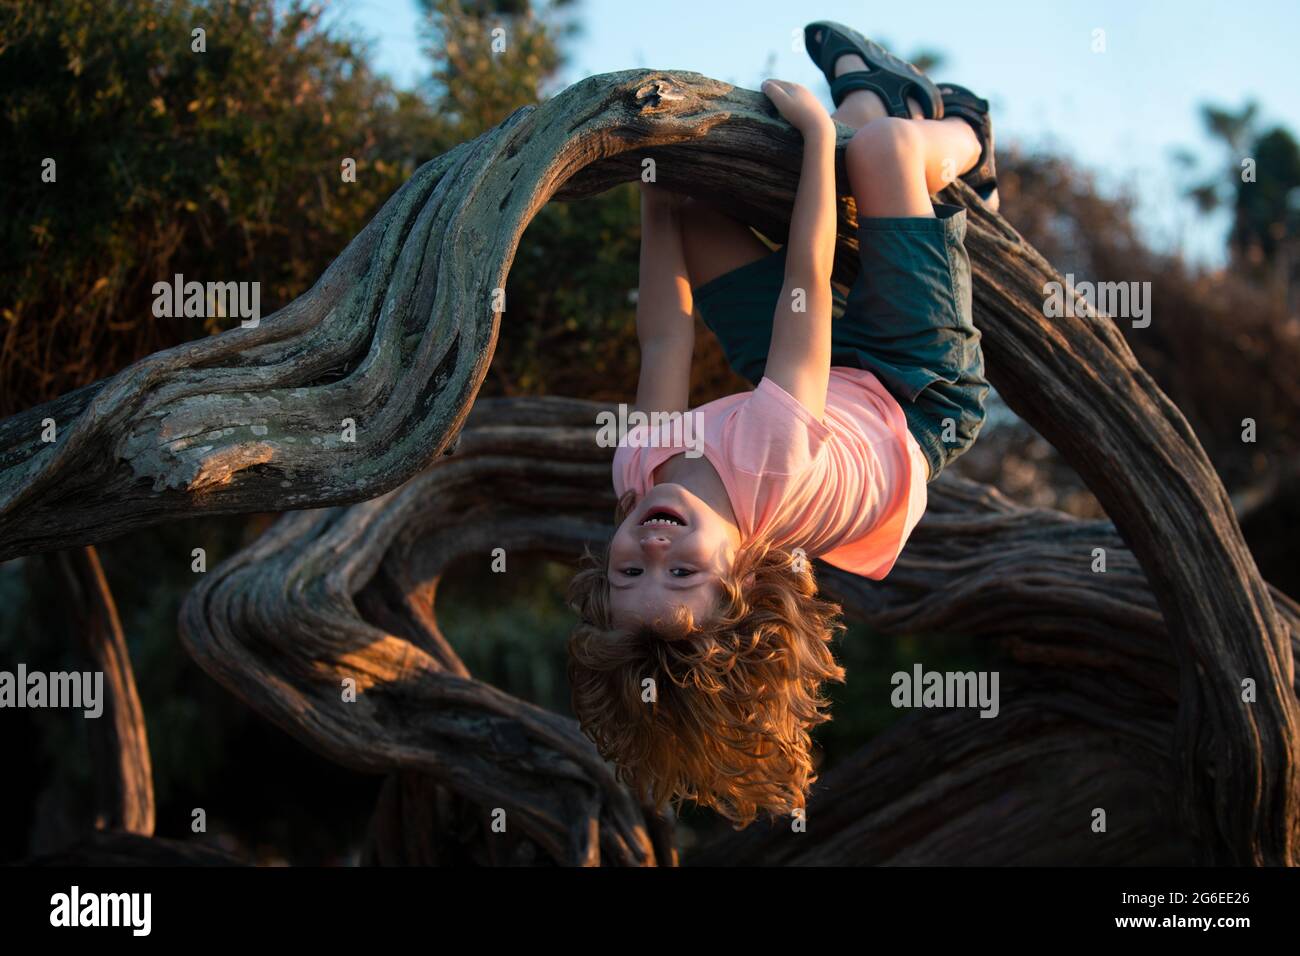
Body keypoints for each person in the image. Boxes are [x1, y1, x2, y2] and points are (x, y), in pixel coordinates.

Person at [568, 22, 993, 827]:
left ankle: (869, 86)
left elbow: (664, 336)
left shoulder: (638, 477)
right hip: (913, 392)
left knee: (696, 218)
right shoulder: (772, 462)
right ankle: (968, 138)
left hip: (818, 386)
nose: (651, 551)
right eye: (682, 574)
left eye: (629, 576)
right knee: (883, 152)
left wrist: (657, 200)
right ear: (743, 574)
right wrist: (813, 138)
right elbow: (806, 278)